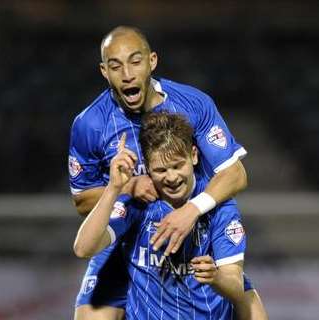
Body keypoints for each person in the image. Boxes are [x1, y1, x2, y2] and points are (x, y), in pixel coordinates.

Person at [69, 26, 266, 319]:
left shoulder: (193, 104)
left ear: (152, 61)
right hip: (125, 235)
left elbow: (235, 174)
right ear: (104, 71)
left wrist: (191, 211)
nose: (126, 74)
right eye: (115, 65)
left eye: (135, 61)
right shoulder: (89, 124)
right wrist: (128, 187)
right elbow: (83, 201)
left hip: (189, 231)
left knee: (249, 304)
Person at [74, 111, 268, 319]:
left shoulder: (219, 205)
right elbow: (84, 248)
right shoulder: (138, 204)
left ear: (193, 155)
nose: (172, 177)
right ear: (147, 168)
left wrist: (216, 277)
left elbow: (235, 283)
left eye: (177, 166)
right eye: (161, 170)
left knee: (253, 308)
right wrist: (114, 188)